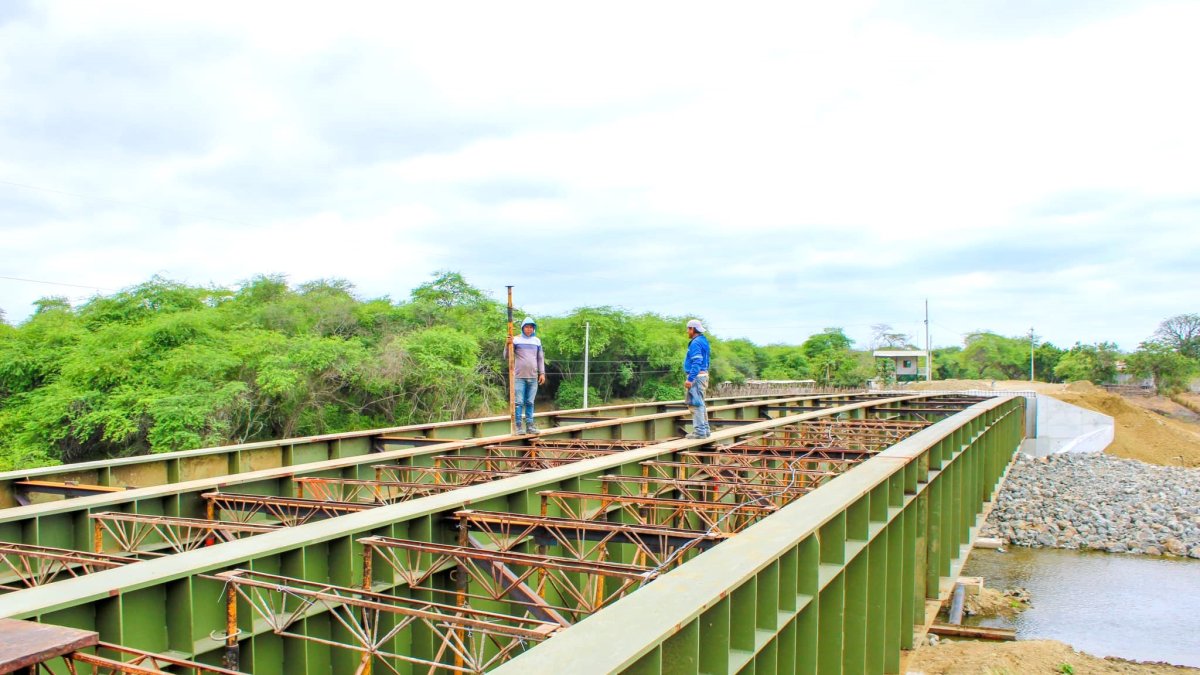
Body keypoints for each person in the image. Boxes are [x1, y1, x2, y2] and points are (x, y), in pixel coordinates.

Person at [512, 317, 546, 434]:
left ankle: (530, 426)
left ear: (534, 328)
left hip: (533, 376)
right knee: (519, 402)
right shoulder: (515, 340)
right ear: (522, 328)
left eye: (531, 327)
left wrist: (542, 373)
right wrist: (507, 344)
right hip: (519, 377)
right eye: (526, 327)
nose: (529, 329)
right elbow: (507, 355)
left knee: (530, 402)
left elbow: (540, 358)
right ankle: (518, 427)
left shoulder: (537, 341)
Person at [683, 319, 711, 439]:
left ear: (692, 329)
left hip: (697, 377)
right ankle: (705, 430)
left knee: (695, 404)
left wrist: (690, 379)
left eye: (688, 329)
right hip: (703, 375)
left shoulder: (695, 343)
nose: (687, 331)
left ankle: (699, 432)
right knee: (701, 403)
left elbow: (697, 362)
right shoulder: (703, 341)